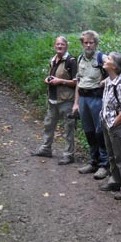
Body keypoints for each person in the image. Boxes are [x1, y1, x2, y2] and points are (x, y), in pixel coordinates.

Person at [31, 36, 77, 165]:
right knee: (48, 125)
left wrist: (60, 81)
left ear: (67, 46)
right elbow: (54, 75)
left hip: (66, 100)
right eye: (57, 44)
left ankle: (69, 155)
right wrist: (49, 79)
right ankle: (46, 148)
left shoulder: (71, 61)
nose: (60, 46)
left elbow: (76, 82)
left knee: (68, 128)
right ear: (54, 46)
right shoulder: (54, 59)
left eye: (62, 44)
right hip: (53, 99)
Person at [72, 30, 110, 180]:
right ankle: (93, 161)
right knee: (88, 131)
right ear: (82, 44)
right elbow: (78, 82)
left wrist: (105, 81)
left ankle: (104, 164)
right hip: (83, 98)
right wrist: (76, 103)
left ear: (96, 43)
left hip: (97, 98)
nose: (88, 45)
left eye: (91, 42)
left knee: (100, 132)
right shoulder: (80, 58)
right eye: (85, 42)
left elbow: (117, 74)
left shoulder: (103, 58)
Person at [98, 52, 121, 200]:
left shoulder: (120, 85)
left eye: (109, 59)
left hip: (116, 126)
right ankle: (115, 180)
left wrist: (114, 124)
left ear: (114, 66)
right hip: (108, 123)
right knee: (111, 155)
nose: (105, 59)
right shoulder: (109, 81)